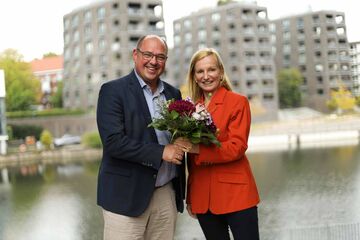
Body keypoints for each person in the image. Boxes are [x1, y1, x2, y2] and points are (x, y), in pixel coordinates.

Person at [96, 35, 186, 240]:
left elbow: (179, 139)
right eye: (148, 54)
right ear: (135, 55)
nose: (153, 61)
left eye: (160, 57)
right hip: (125, 197)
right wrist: (162, 151)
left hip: (165, 193)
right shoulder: (112, 91)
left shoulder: (174, 94)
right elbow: (113, 143)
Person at [184, 48, 260, 240]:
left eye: (211, 70)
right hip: (203, 196)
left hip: (236, 194)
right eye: (200, 71)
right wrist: (190, 195)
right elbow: (190, 160)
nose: (206, 76)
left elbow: (237, 147)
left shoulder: (238, 102)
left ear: (221, 72)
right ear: (194, 75)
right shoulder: (191, 109)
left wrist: (198, 149)